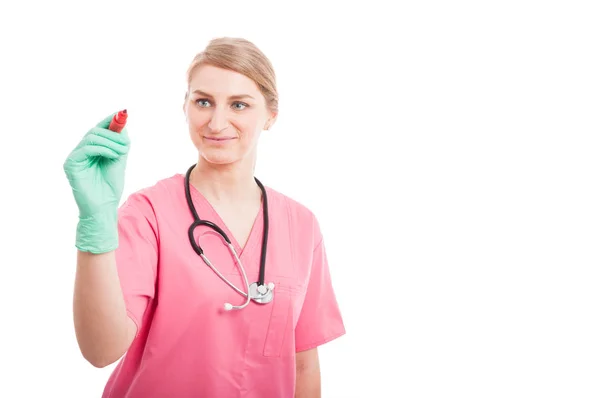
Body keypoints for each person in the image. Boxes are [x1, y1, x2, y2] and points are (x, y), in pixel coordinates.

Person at [62, 37, 346, 397]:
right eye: (203, 102)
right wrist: (95, 223)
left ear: (271, 115)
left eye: (239, 104)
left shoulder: (301, 226)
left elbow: (303, 364)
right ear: (186, 107)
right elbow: (101, 350)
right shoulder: (148, 214)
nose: (216, 121)